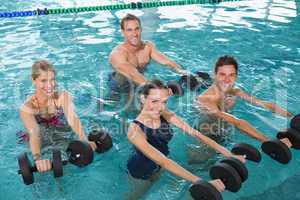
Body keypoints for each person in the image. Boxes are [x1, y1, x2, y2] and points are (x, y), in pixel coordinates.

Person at [126, 79, 245, 199]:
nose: (160, 107)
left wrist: (229, 154)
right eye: (154, 101)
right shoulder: (135, 130)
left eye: (164, 102)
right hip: (140, 172)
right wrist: (202, 182)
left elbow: (195, 133)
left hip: (161, 165)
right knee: (135, 197)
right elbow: (163, 161)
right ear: (143, 99)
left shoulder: (164, 114)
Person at [196, 55, 293, 147]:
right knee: (200, 164)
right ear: (215, 75)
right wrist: (272, 142)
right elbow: (238, 122)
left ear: (236, 76)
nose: (227, 80)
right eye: (222, 74)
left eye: (231, 75)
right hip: (206, 137)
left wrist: (292, 117)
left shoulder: (232, 90)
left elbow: (261, 103)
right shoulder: (206, 100)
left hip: (225, 131)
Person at [19, 60, 97, 173]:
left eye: (52, 79)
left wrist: (84, 141)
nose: (49, 85)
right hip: (39, 137)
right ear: (33, 80)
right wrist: (37, 158)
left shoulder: (62, 97)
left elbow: (73, 119)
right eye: (43, 80)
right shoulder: (27, 108)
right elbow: (34, 132)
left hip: (61, 131)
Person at [108, 14, 185, 103]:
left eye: (137, 29)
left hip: (141, 82)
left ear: (141, 29)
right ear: (123, 32)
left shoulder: (148, 47)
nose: (134, 34)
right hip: (119, 86)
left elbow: (167, 61)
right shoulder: (117, 54)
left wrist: (182, 72)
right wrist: (155, 89)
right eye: (129, 30)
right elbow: (132, 73)